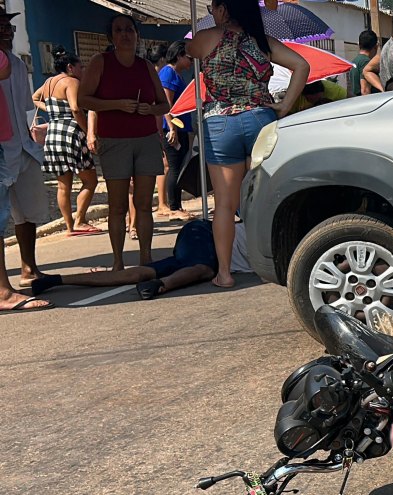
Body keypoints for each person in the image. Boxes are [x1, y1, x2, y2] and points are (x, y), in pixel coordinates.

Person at [187, 0, 308, 289]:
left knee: (225, 204)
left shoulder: (205, 38)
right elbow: (301, 66)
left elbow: (189, 51)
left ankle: (224, 273)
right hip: (259, 120)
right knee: (260, 197)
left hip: (220, 123)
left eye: (212, 8)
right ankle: (268, 265)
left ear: (223, 9)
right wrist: (284, 106)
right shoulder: (264, 42)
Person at [79, 14, 170, 272]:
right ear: (111, 36)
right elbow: (83, 100)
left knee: (144, 204)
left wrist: (150, 109)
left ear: (137, 34)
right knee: (118, 206)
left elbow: (164, 105)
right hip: (114, 141)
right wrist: (117, 105)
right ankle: (118, 262)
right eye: (119, 30)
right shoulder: (100, 62)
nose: (125, 34)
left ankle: (146, 258)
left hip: (146, 140)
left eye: (129, 29)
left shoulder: (146, 66)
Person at [31, 219, 254, 301]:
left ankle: (57, 280)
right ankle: (161, 286)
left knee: (141, 272)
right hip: (205, 235)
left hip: (198, 238)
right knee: (203, 270)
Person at [0, 10, 51, 289]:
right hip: (2, 150)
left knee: (28, 212)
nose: (8, 31)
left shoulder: (18, 65)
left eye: (9, 26)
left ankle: (29, 267)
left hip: (23, 147)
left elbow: (23, 108)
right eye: (1, 26)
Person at [32, 47, 100, 238]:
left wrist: (53, 110)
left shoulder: (49, 82)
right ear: (70, 67)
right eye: (80, 66)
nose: (83, 70)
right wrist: (88, 131)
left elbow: (35, 98)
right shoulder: (71, 82)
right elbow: (76, 109)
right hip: (71, 134)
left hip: (53, 134)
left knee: (63, 186)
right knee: (90, 180)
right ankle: (80, 220)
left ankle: (70, 227)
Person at [158, 40, 195, 220]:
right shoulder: (168, 73)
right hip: (172, 129)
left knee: (180, 167)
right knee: (174, 168)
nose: (191, 62)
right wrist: (172, 128)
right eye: (189, 58)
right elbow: (166, 103)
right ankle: (174, 207)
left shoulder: (177, 75)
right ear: (179, 56)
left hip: (181, 127)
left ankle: (177, 205)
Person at [349, 29, 378, 96]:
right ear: (375, 47)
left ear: (359, 45)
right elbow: (365, 91)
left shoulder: (354, 61)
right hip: (367, 101)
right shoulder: (366, 62)